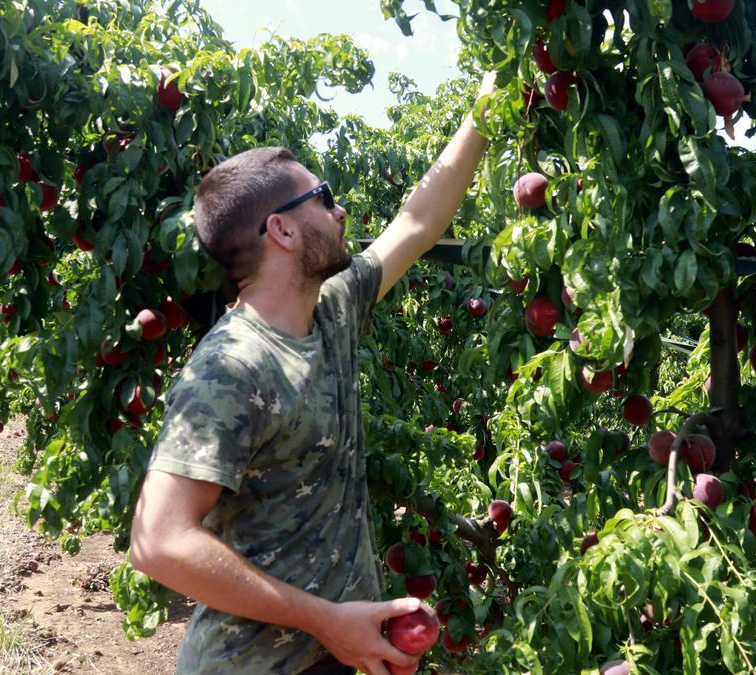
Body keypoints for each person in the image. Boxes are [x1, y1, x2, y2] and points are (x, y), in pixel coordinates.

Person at [130, 72, 497, 675]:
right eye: (324, 198)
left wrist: (485, 109)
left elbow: (417, 223)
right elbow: (158, 541)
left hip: (331, 653)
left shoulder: (333, 308)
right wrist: (324, 619)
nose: (342, 208)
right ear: (282, 228)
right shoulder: (230, 367)